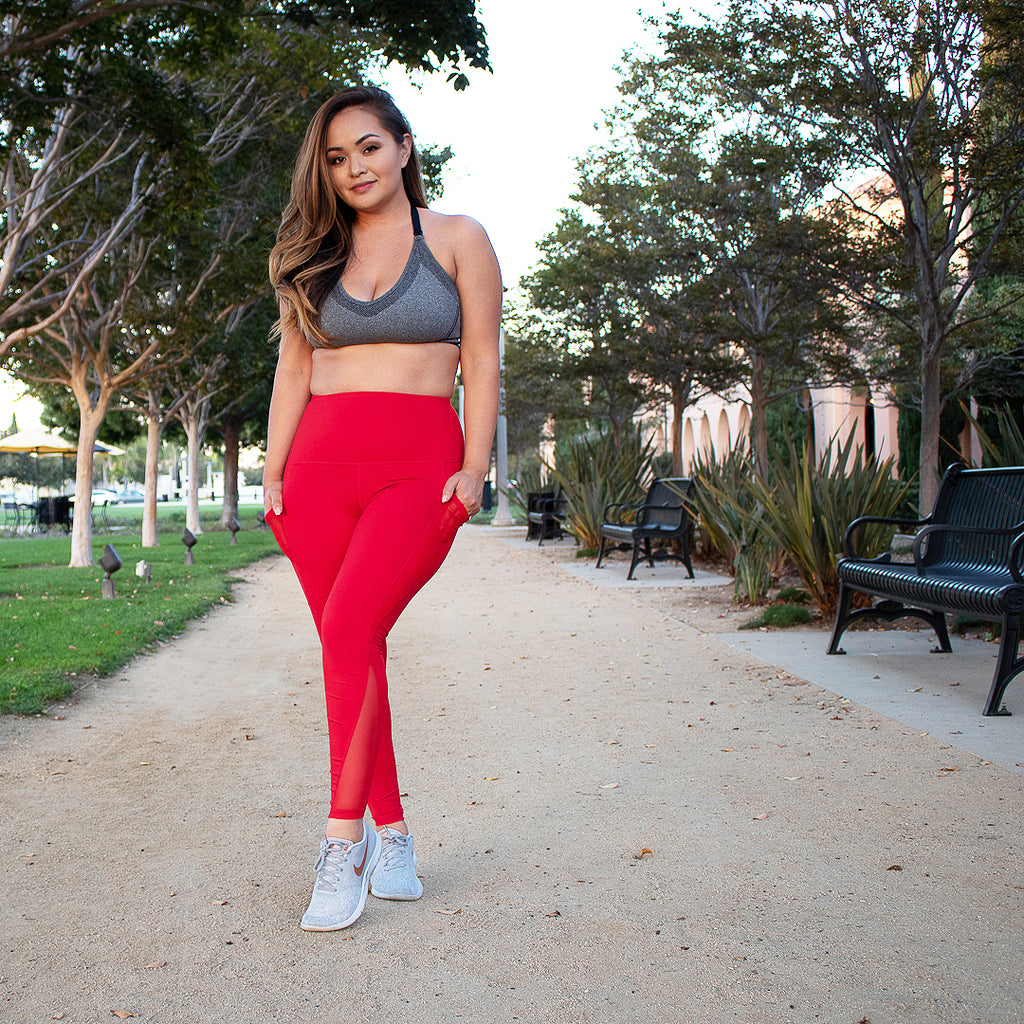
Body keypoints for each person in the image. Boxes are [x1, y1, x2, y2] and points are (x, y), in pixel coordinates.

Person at [263, 85, 501, 931]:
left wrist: (474, 468)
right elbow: (295, 370)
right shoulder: (312, 255)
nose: (354, 168)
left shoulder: (459, 239)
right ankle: (392, 833)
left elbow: (481, 357)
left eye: (368, 147)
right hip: (317, 471)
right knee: (352, 645)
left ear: (403, 146)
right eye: (336, 158)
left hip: (419, 469)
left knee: (350, 627)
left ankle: (344, 841)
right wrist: (272, 475)